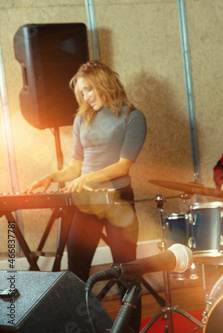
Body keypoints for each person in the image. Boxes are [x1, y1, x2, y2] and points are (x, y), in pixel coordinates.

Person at [27, 60, 147, 332]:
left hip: (118, 202)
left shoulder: (132, 117)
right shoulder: (82, 119)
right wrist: (51, 177)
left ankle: (130, 329)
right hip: (86, 203)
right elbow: (75, 167)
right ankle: (78, 327)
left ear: (105, 84)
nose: (86, 96)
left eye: (90, 89)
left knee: (126, 271)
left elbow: (123, 165)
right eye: (82, 92)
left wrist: (86, 179)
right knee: (76, 270)